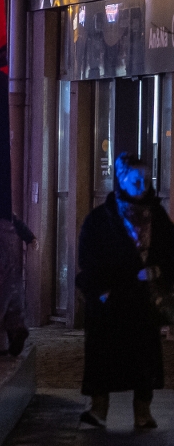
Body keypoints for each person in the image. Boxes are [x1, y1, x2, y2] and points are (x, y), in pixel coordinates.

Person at [77, 154, 174, 431]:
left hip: (143, 301)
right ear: (121, 179)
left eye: (145, 179)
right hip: (111, 299)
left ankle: (142, 412)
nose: (142, 185)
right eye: (135, 179)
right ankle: (99, 408)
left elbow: (169, 251)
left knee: (144, 356)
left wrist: (157, 273)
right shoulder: (100, 219)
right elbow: (89, 257)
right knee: (102, 355)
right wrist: (101, 291)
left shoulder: (158, 216)